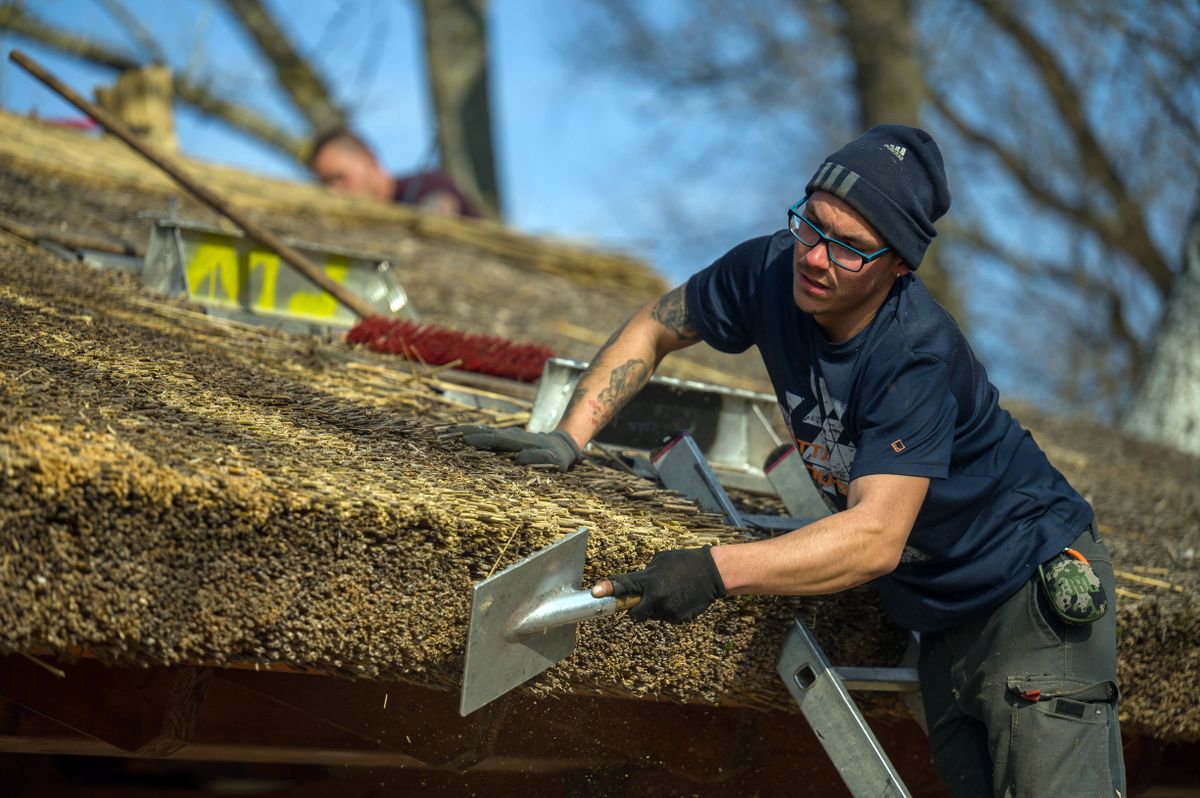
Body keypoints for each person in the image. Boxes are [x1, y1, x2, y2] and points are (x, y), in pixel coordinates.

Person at [453, 125, 1124, 797]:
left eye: (850, 249)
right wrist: (571, 436)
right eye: (812, 224)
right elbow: (658, 323)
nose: (817, 257)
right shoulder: (772, 269)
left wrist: (714, 570)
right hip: (942, 612)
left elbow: (876, 537)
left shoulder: (914, 356)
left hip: (1028, 594)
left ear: (900, 267)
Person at [307, 129, 480, 218]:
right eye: (325, 184)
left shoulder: (428, 185)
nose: (334, 191)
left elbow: (441, 208)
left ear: (370, 159)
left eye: (339, 178)